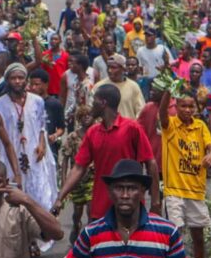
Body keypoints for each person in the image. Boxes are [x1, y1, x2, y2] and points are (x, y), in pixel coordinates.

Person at [39, 159, 199, 258]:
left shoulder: (166, 232)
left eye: (132, 188)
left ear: (143, 192)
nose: (125, 195)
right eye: (119, 188)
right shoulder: (93, 233)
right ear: (109, 192)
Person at [52, 85, 161, 220]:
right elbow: (79, 167)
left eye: (94, 101)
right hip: (100, 209)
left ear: (103, 103)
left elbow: (151, 163)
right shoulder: (92, 132)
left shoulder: (132, 128)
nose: (91, 105)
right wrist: (60, 197)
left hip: (130, 207)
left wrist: (155, 202)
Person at [0, 63, 59, 257]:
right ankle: (21, 242)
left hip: (34, 156)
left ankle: (36, 239)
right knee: (15, 199)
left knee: (37, 196)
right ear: (8, 81)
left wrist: (41, 144)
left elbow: (41, 126)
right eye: (13, 78)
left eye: (21, 78)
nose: (17, 81)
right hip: (11, 157)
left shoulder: (37, 101)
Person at [159, 88, 211, 258]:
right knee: (174, 238)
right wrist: (168, 91)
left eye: (191, 106)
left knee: (199, 237)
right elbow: (162, 114)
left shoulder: (200, 126)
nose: (187, 110)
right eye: (183, 105)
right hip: (174, 191)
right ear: (176, 106)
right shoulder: (171, 125)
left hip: (196, 191)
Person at [58, 106, 95, 243]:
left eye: (89, 115)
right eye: (83, 116)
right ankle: (76, 225)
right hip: (77, 180)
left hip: (92, 177)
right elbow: (66, 158)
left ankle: (90, 238)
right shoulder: (73, 137)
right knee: (77, 211)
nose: (86, 118)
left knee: (91, 211)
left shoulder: (97, 133)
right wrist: (64, 182)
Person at [92, 55, 145, 119]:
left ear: (123, 69)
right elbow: (92, 109)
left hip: (128, 127)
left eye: (113, 67)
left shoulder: (133, 86)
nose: (110, 70)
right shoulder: (99, 87)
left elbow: (141, 111)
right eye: (108, 67)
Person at [60, 53, 94, 127]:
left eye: (74, 63)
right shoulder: (77, 82)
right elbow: (76, 102)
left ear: (80, 66)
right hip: (78, 118)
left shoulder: (87, 85)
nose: (71, 65)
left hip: (85, 121)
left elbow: (89, 105)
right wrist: (67, 114)